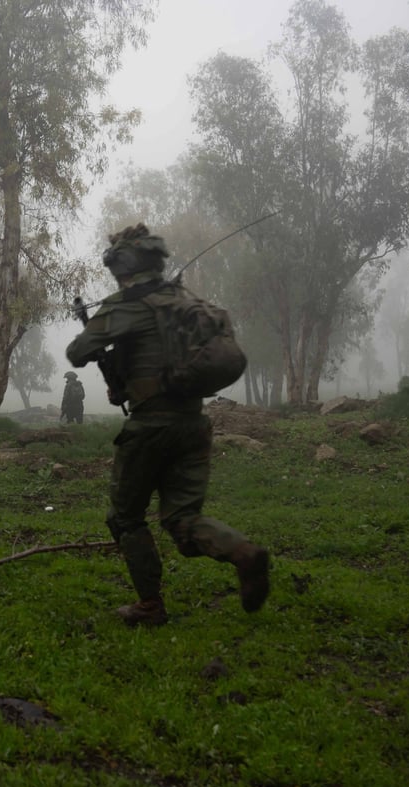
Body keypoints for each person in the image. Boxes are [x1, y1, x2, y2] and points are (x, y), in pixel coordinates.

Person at [65, 223, 269, 627]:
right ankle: (244, 553)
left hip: (150, 428)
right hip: (193, 425)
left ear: (121, 266)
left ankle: (150, 605)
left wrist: (106, 332)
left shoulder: (127, 304)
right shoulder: (181, 298)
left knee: (124, 517)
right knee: (181, 518)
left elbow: (77, 351)